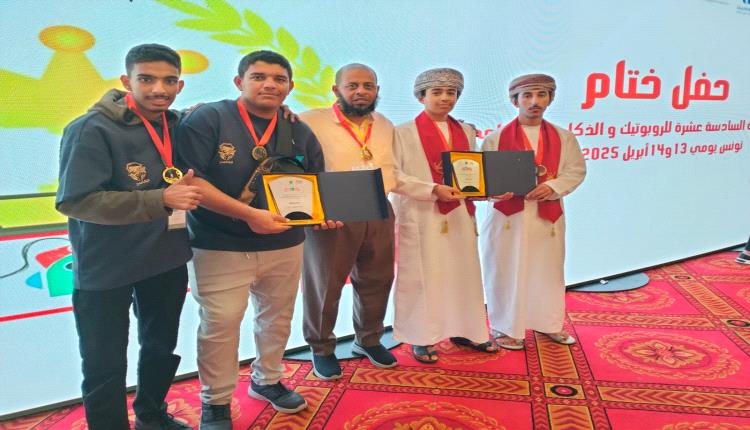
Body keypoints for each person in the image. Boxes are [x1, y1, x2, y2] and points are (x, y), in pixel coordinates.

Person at [175, 50, 329, 428]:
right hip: (218, 244)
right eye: (259, 77)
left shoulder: (299, 130)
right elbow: (191, 180)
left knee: (277, 318)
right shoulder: (209, 118)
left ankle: (268, 379)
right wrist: (249, 215)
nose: (270, 84)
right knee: (220, 324)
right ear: (238, 82)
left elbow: (317, 184)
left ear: (290, 87)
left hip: (285, 245)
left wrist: (326, 213)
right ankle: (215, 401)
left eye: (279, 79)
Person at [56, 44, 199, 430]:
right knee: (103, 361)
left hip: (166, 257)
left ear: (180, 85)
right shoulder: (90, 128)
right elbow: (76, 201)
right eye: (147, 79)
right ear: (126, 81)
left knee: (160, 347)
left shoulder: (178, 124)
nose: (159, 89)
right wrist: (160, 199)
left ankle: (152, 414)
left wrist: (285, 112)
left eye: (169, 81)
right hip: (107, 264)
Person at [299, 64, 398, 380]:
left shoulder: (384, 124)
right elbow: (295, 166)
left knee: (377, 279)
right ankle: (321, 348)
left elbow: (394, 169)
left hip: (378, 208)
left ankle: (368, 339)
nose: (361, 91)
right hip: (333, 214)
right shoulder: (309, 120)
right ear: (336, 90)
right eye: (352, 85)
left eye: (368, 86)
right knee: (324, 284)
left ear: (377, 90)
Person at [390, 68, 496, 363]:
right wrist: (432, 189)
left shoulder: (466, 131)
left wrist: (487, 190)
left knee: (462, 274)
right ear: (421, 97)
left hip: (459, 213)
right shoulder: (401, 132)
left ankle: (466, 330)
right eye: (436, 92)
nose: (445, 98)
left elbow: (473, 170)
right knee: (423, 277)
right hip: (421, 213)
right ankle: (421, 337)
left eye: (451, 93)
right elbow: (393, 176)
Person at [479, 74, 586, 350]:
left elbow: (575, 171)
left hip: (546, 216)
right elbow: (483, 179)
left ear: (550, 99)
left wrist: (552, 186)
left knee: (546, 271)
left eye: (541, 95)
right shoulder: (495, 139)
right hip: (507, 218)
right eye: (527, 96)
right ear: (515, 101)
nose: (534, 101)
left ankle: (548, 322)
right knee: (505, 269)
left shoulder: (564, 138)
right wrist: (493, 191)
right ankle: (506, 327)